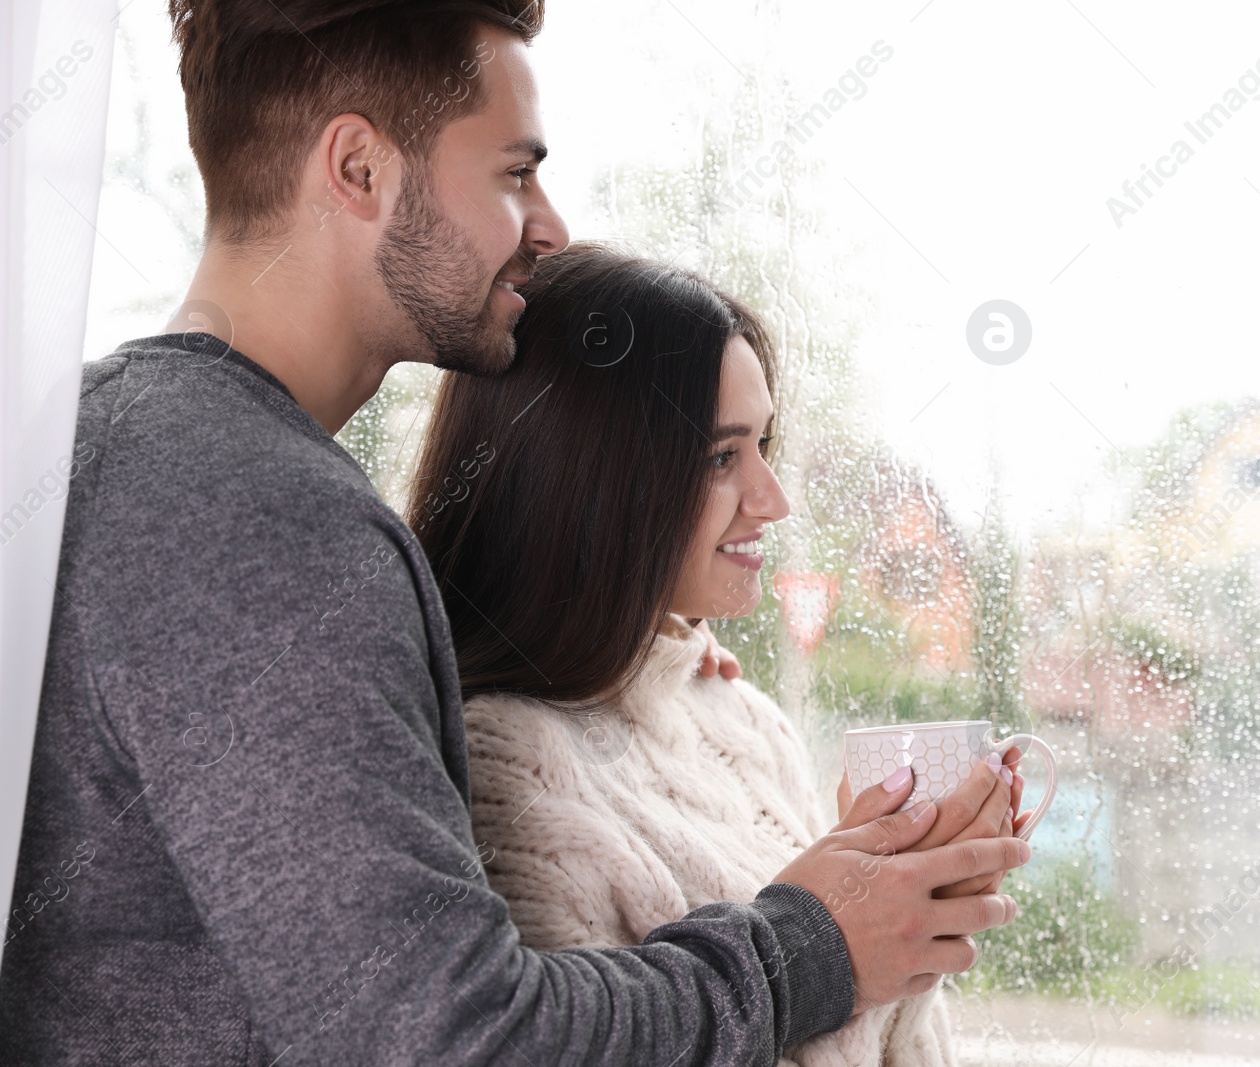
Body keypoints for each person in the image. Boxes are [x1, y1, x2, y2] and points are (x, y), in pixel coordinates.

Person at [0, 2, 1030, 1064]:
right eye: (512, 173)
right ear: (357, 168)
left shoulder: (96, 441)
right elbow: (453, 1039)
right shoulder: (258, 518)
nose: (550, 228)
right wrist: (810, 945)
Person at [410, 244, 1031, 1065]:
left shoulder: (745, 722)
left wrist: (911, 896)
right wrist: (849, 939)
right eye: (720, 456)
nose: (773, 499)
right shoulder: (506, 768)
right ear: (592, 480)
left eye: (765, 445)